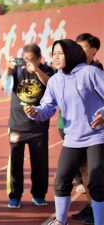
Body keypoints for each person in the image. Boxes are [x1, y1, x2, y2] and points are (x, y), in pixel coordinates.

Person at [24, 39, 104, 225]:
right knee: (61, 182)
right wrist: (35, 112)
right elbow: (47, 109)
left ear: (72, 53)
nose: (56, 57)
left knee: (97, 185)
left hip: (97, 136)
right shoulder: (55, 81)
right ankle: (61, 221)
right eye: (53, 54)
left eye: (60, 53)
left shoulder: (90, 72)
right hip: (72, 139)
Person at [1, 43, 54, 209]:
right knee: (15, 162)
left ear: (39, 59)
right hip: (17, 125)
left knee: (40, 163)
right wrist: (8, 69)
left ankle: (38, 194)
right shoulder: (17, 70)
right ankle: (15, 196)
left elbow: (52, 85)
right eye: (25, 60)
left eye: (31, 60)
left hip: (38, 126)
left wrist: (37, 71)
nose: (27, 63)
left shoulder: (48, 70)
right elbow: (5, 87)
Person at [70, 33, 103, 225]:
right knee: (83, 170)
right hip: (72, 127)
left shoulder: (96, 71)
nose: (76, 52)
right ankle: (91, 206)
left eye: (81, 48)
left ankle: (97, 207)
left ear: (93, 51)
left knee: (95, 172)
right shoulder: (69, 70)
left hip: (93, 130)